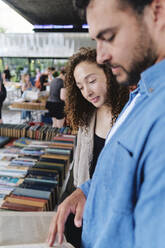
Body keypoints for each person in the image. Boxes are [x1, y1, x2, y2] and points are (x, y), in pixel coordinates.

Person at [48, 0, 165, 247]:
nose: (101, 55)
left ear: (158, 12)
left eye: (109, 36)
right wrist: (87, 191)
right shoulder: (142, 93)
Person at [59, 47, 129, 247]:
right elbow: (77, 169)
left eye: (92, 81)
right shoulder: (86, 117)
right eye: (80, 87)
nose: (87, 92)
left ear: (109, 73)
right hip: (82, 215)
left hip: (113, 219)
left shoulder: (129, 115)